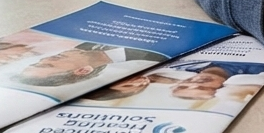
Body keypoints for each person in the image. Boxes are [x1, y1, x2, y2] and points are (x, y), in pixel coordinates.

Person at [14, 42, 167, 88]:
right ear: (83, 70)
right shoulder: (153, 56)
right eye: (48, 66)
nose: (45, 59)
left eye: (37, 62)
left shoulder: (84, 43)